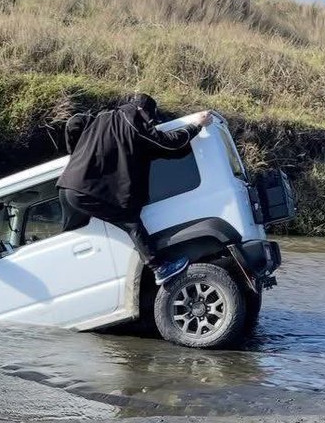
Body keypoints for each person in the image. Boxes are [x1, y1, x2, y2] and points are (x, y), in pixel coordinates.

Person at [57, 93, 213, 284]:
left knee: (69, 235)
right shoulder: (134, 123)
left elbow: (73, 122)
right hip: (86, 193)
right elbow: (170, 143)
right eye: (151, 118)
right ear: (143, 110)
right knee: (130, 220)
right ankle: (159, 267)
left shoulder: (102, 117)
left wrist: (76, 154)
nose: (151, 122)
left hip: (67, 187)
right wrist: (196, 125)